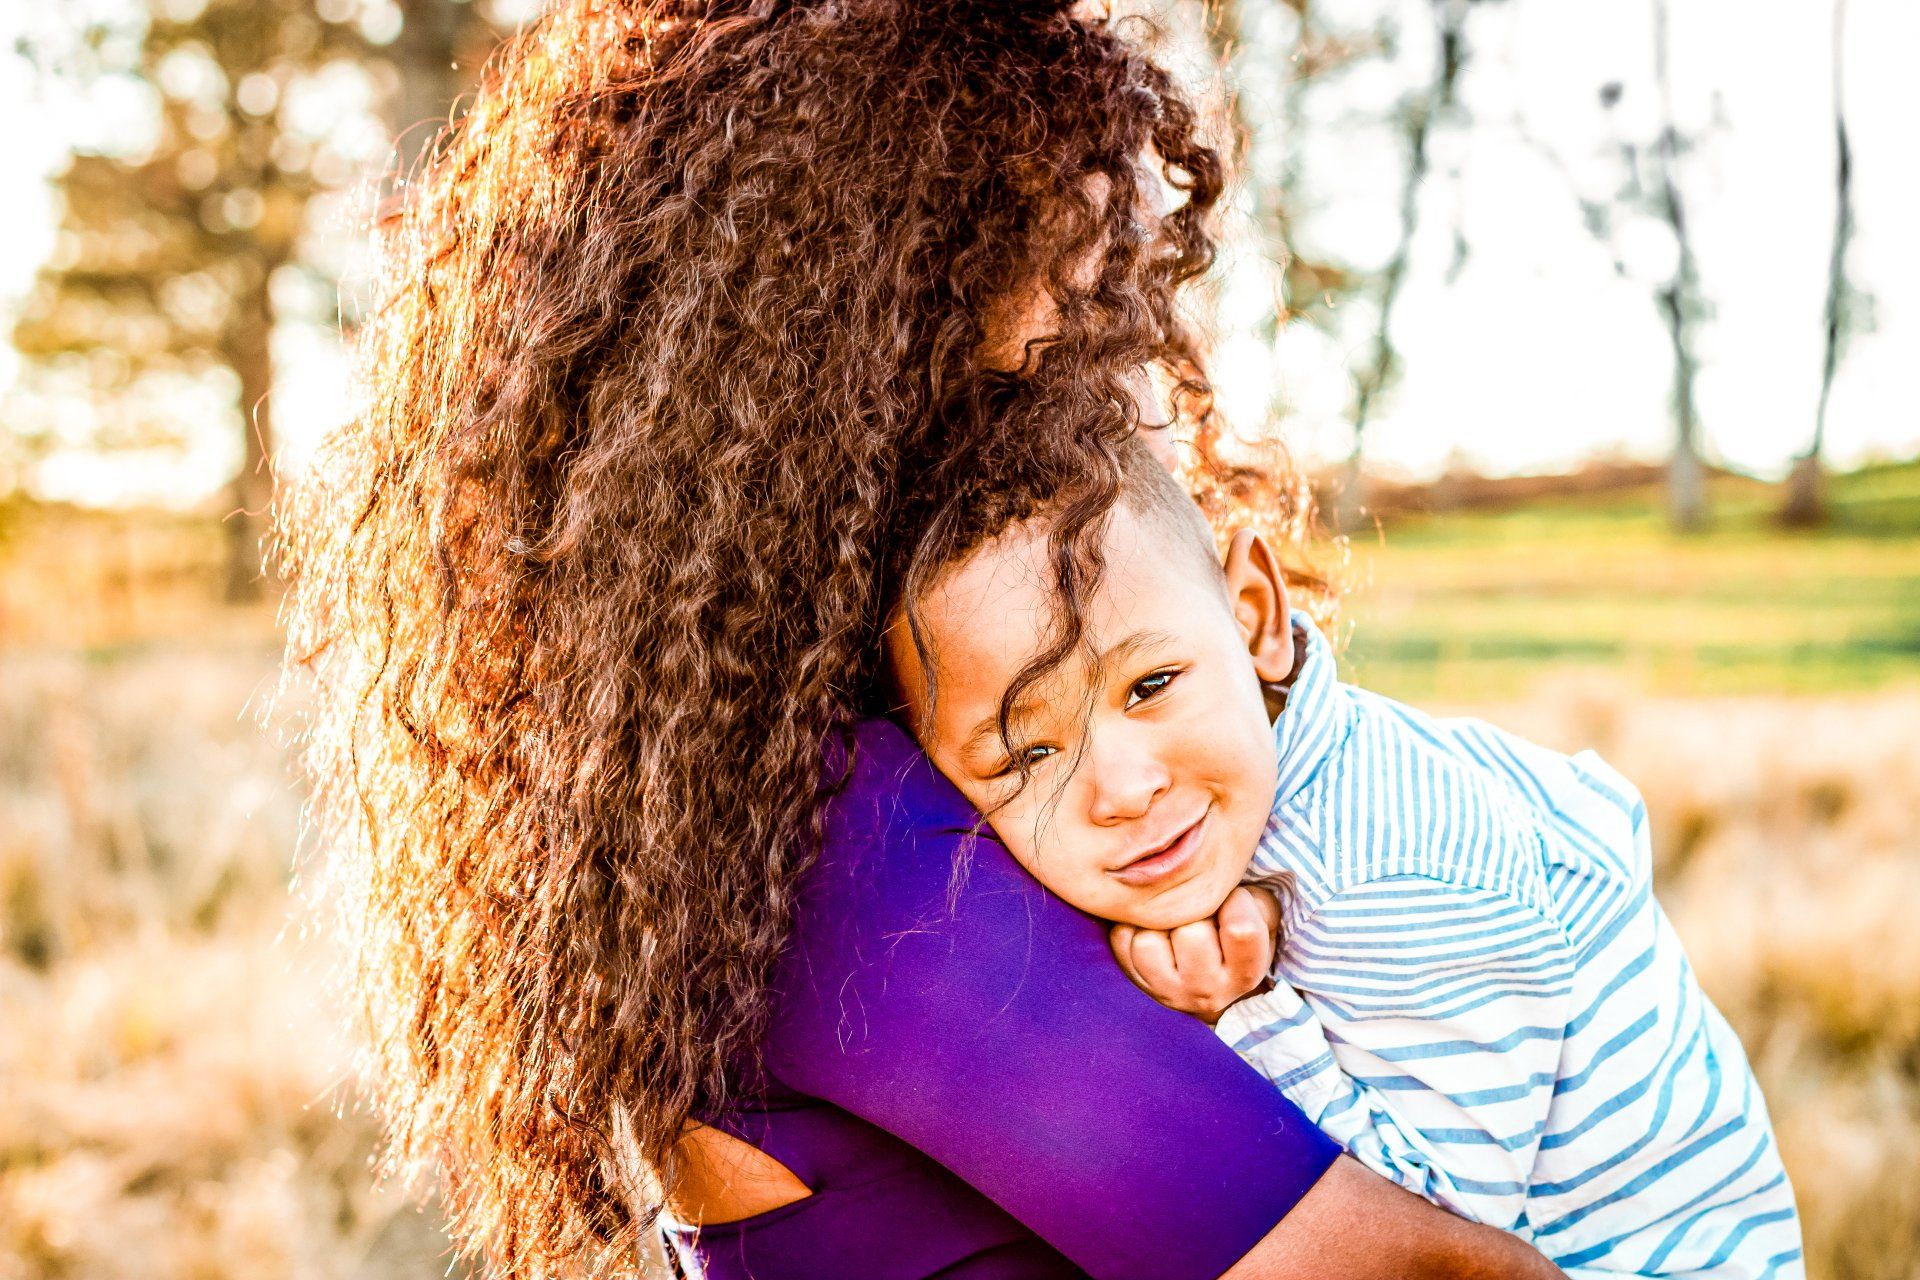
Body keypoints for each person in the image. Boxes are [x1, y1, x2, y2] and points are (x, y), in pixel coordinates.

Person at [279, 1, 1572, 1276]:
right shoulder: (862, 851)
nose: (1092, 392)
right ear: (827, 367)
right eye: (1042, 351)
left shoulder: (722, 794)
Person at [881, 435, 1806, 1279]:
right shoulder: (1280, 783)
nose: (1119, 789)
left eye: (1150, 684)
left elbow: (1438, 1249)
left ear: (1254, 617)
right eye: (1028, 755)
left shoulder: (1399, 879)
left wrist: (1239, 1014)